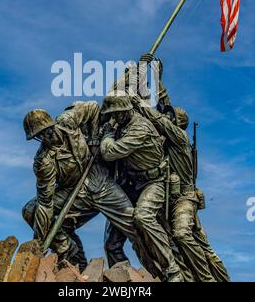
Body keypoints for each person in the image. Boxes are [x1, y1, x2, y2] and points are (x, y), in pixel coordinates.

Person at [22, 101, 158, 275]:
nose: (47, 136)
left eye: (47, 130)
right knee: (30, 210)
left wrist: (94, 137)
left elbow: (93, 107)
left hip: (101, 184)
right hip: (74, 194)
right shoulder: (43, 162)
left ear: (53, 123)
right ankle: (71, 257)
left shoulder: (68, 120)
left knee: (136, 228)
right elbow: (45, 203)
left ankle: (158, 272)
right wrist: (40, 243)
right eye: (40, 135)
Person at [133, 54, 230, 282]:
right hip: (170, 196)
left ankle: (208, 279)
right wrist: (155, 72)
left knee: (183, 234)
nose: (166, 115)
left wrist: (137, 102)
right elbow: (164, 102)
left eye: (170, 117)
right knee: (173, 241)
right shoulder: (166, 137)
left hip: (184, 198)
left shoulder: (179, 137)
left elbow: (160, 117)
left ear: (177, 122)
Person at [100, 93, 183, 282]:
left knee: (143, 216)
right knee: (111, 242)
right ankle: (124, 279)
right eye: (113, 115)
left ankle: (173, 271)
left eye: (119, 114)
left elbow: (110, 152)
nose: (115, 118)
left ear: (127, 110)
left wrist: (107, 134)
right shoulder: (122, 126)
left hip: (154, 182)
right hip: (131, 183)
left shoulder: (140, 128)